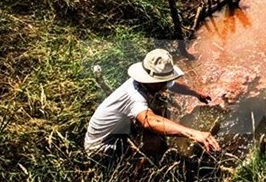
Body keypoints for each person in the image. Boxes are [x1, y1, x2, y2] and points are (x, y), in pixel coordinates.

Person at [84, 48, 221, 159]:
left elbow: (173, 85)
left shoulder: (147, 83)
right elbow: (149, 120)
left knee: (161, 112)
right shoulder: (135, 95)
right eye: (162, 82)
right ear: (151, 81)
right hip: (101, 147)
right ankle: (140, 178)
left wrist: (197, 94)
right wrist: (192, 133)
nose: (165, 85)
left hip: (120, 131)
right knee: (154, 143)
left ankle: (150, 152)